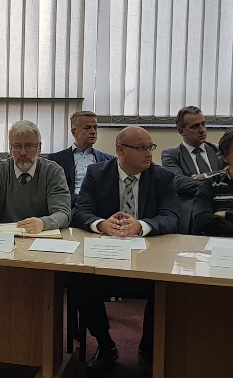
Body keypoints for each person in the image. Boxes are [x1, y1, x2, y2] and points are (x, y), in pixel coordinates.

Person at [71, 126, 179, 372]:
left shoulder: (162, 177)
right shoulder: (97, 173)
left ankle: (148, 349)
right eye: (141, 148)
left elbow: (172, 217)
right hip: (106, 257)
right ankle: (105, 344)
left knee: (167, 287)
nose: (149, 153)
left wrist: (141, 226)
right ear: (121, 150)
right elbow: (80, 211)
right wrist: (101, 224)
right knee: (78, 281)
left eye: (150, 147)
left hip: (149, 259)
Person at [0, 120, 71, 233]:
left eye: (29, 146)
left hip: (42, 235)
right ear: (10, 148)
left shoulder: (53, 172)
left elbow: (63, 214)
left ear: (39, 148)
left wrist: (44, 223)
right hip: (6, 236)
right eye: (17, 146)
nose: (23, 152)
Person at [161, 106, 224, 233]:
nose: (202, 130)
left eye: (203, 124)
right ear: (181, 131)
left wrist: (204, 176)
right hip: (192, 212)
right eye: (195, 127)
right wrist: (216, 184)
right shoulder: (171, 154)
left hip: (221, 207)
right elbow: (177, 182)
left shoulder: (219, 150)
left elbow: (232, 173)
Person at [48, 110, 114, 198]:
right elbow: (53, 190)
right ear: (74, 132)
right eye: (87, 128)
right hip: (70, 203)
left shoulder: (109, 160)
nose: (93, 132)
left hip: (98, 203)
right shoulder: (56, 160)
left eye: (95, 127)